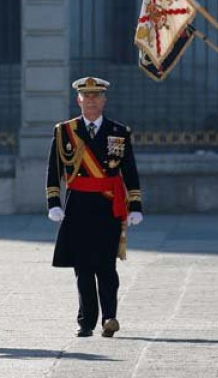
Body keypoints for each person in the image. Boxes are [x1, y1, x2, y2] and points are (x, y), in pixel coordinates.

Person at [45, 77, 143, 338]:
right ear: (78, 100)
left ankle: (109, 317)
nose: (91, 100)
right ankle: (86, 321)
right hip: (77, 206)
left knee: (107, 266)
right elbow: (53, 171)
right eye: (86, 96)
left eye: (96, 96)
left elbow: (129, 171)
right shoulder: (64, 131)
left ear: (104, 100)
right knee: (83, 267)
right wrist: (53, 202)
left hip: (107, 205)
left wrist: (135, 205)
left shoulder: (119, 132)